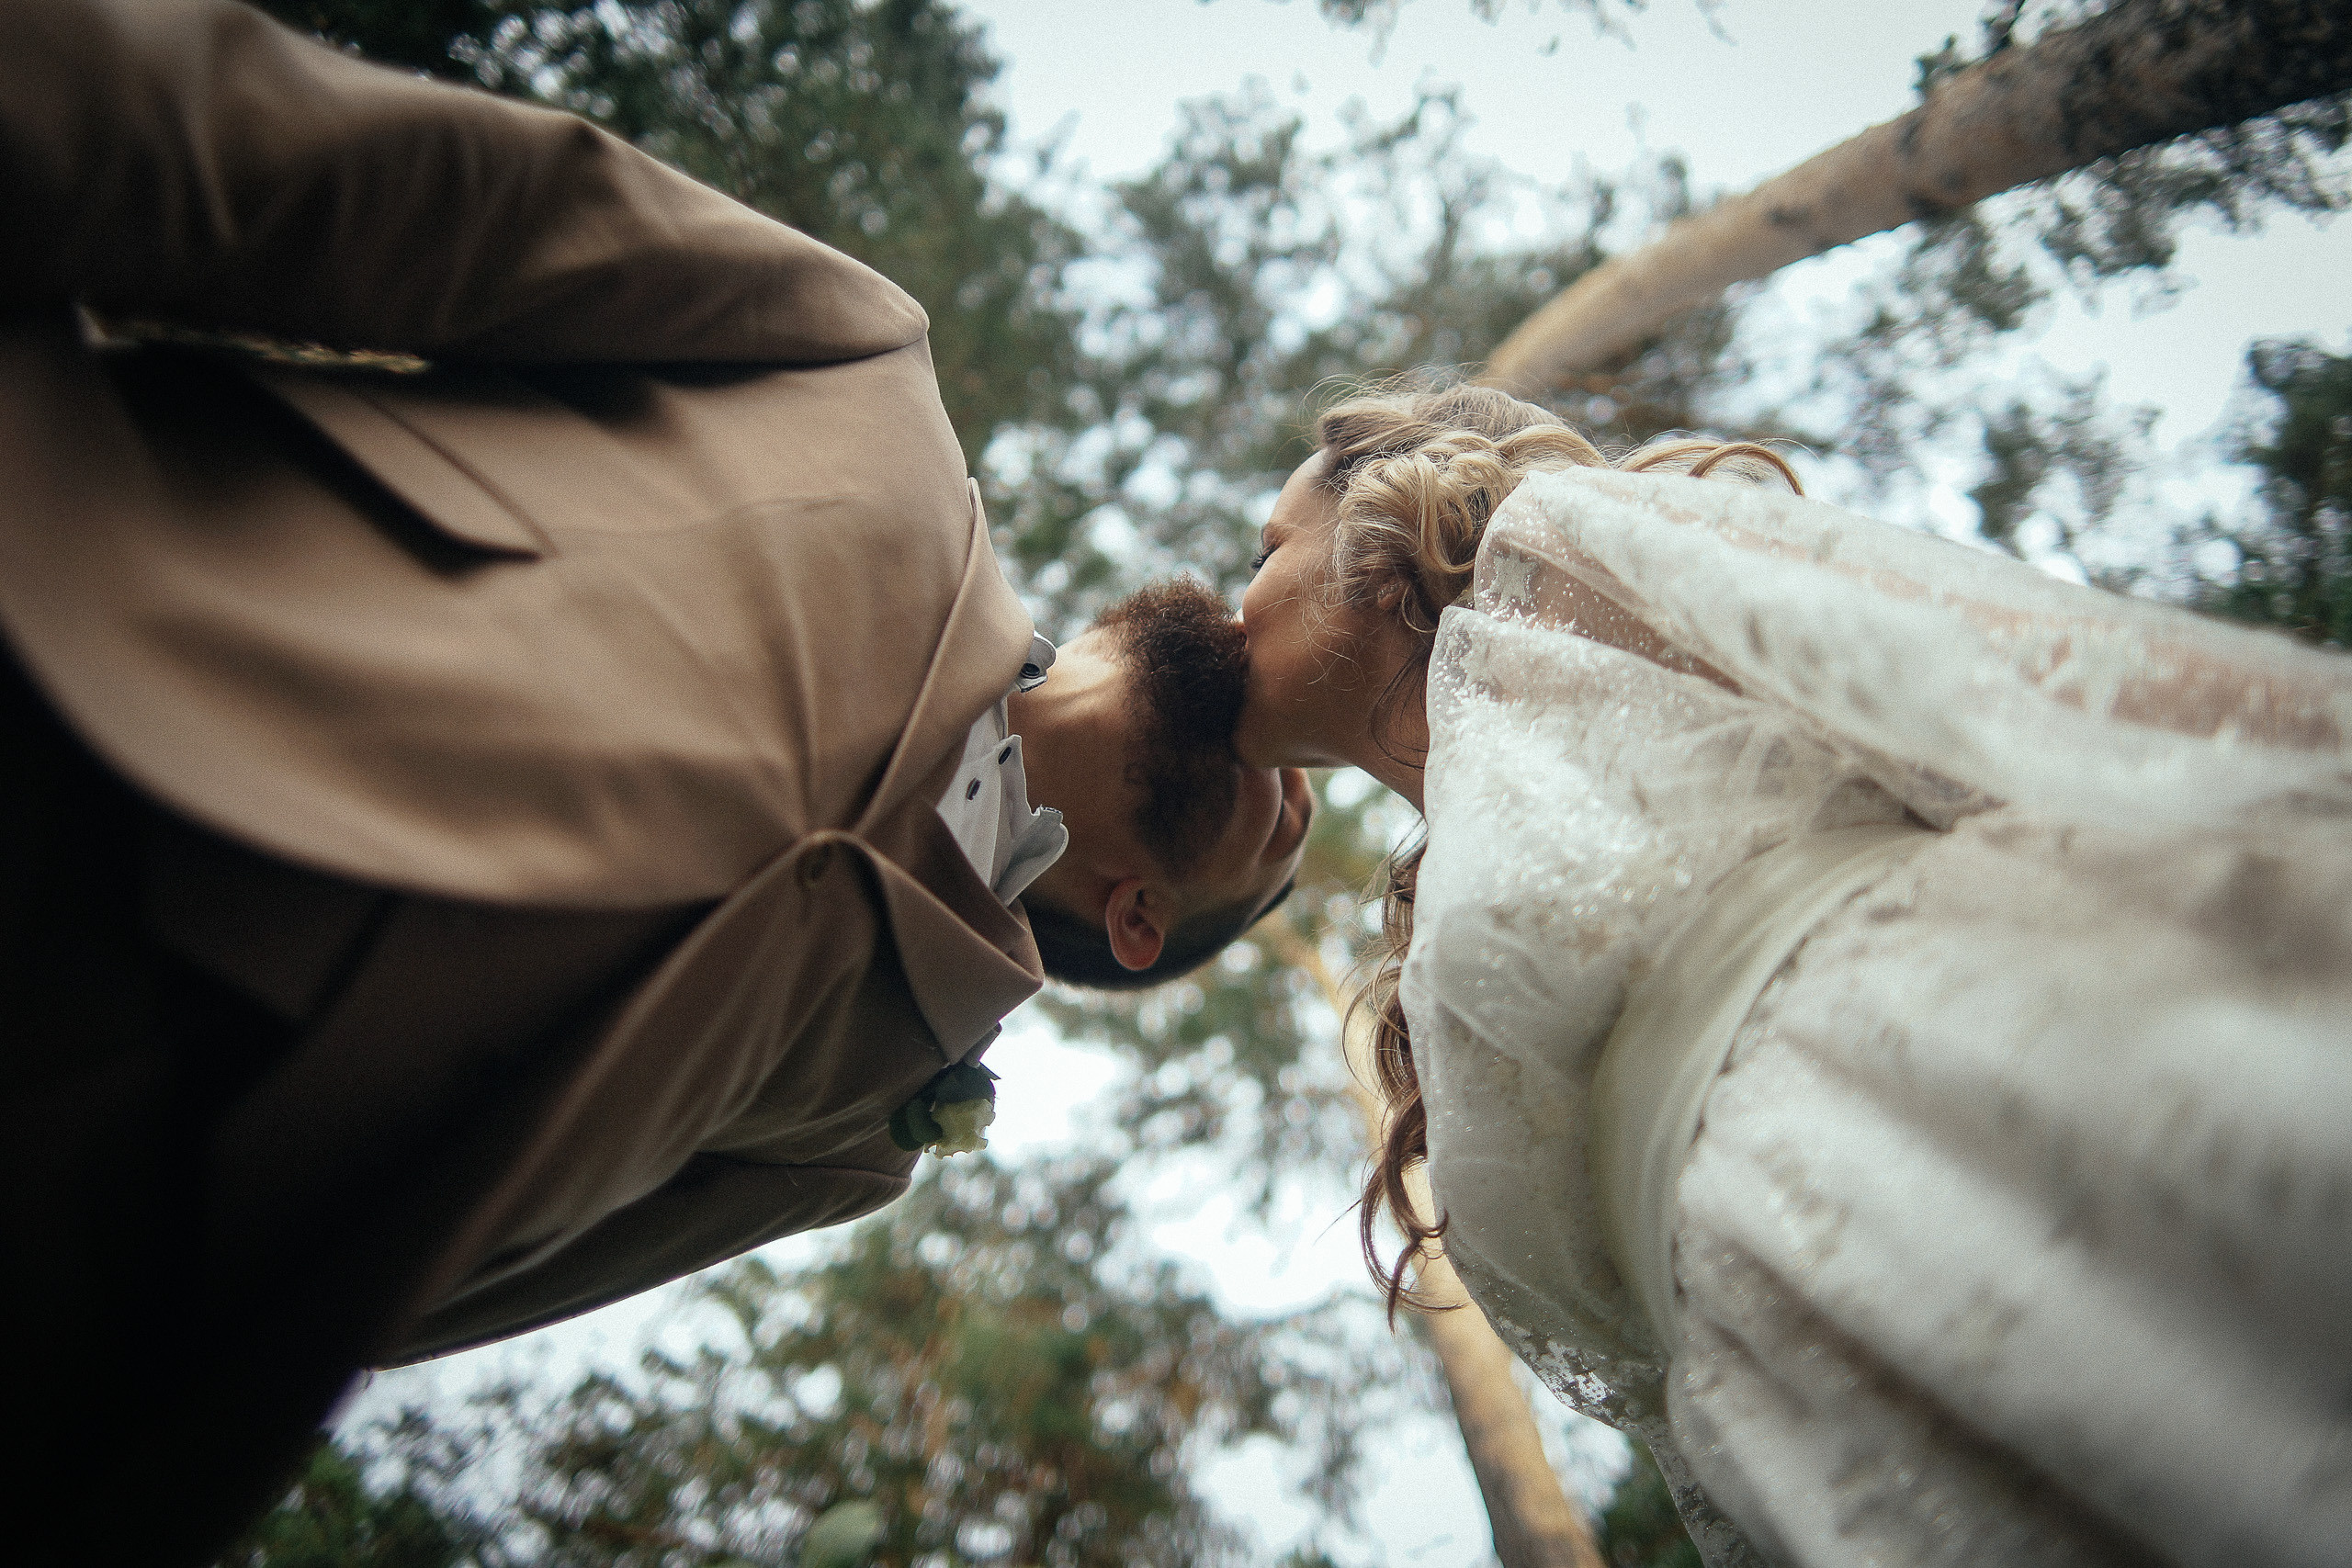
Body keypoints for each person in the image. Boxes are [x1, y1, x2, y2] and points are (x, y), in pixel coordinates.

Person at [0, 3, 1307, 1562]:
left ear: (1144, 924)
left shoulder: (854, 1142)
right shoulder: (867, 379)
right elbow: (354, 190)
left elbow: (428, 1293)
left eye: (1303, 820)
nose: (1302, 778)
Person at [1233, 377, 2352, 1568]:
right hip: (1824, 1407)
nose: (1233, 599)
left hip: (1967, 1084)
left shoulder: (1561, 550)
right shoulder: (1436, 935)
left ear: (1381, 533)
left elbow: (2001, 673)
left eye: (1263, 547)